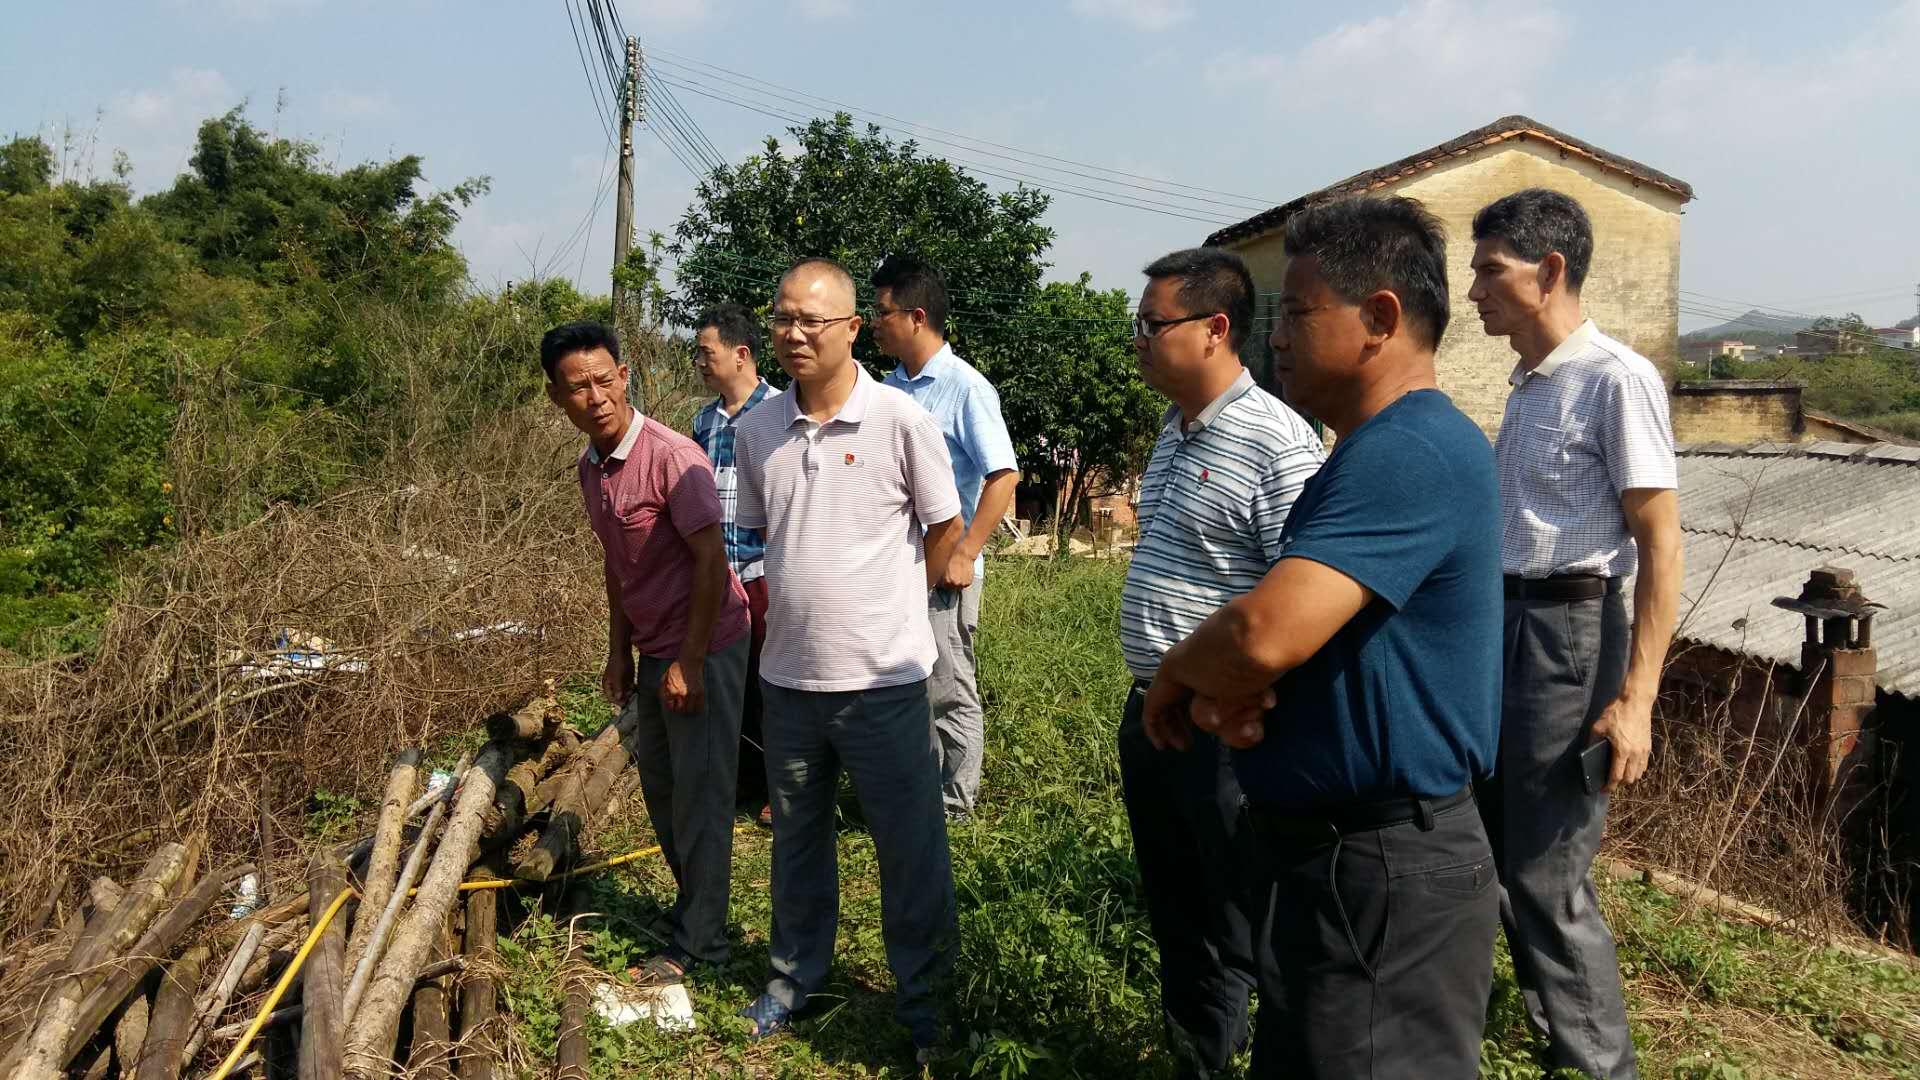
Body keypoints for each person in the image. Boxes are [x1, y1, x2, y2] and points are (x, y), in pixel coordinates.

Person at [1143, 196, 1502, 1079]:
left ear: (1379, 317)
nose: (1275, 338)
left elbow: (1264, 631)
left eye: (1297, 312)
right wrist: (1240, 703)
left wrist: (1182, 675)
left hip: (1385, 864)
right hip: (1337, 857)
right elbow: (1316, 648)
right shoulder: (1362, 451)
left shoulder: (1408, 451)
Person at [1468, 187, 1681, 1080]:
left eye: (1491, 270)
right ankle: (1554, 1038)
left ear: (1549, 270)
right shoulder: (1528, 385)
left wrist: (1637, 699)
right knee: (1498, 847)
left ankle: (1601, 1067)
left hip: (1571, 629)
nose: (1474, 290)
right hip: (1508, 621)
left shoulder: (1615, 380)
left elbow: (1660, 541)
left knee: (1549, 871)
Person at [733, 258, 965, 1059]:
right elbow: (769, 535)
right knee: (797, 842)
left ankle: (927, 1003)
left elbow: (945, 527)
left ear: (853, 328)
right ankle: (793, 978)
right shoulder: (756, 431)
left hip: (884, 682)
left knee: (910, 848)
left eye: (812, 320)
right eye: (783, 318)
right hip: (789, 681)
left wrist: (896, 608)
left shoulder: (901, 420)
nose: (794, 334)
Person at [1117, 247, 1323, 1077]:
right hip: (1154, 710)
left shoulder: (1277, 445)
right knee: (1177, 898)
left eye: (1152, 324)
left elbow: (1300, 602)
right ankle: (1200, 1051)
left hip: (1225, 726)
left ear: (1215, 329)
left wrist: (1231, 698)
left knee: (1241, 909)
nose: (1138, 340)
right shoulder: (1174, 432)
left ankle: (1257, 1054)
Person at [541, 319, 751, 984]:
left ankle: (702, 945)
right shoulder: (591, 469)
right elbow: (618, 564)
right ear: (557, 397)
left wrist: (690, 663)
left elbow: (711, 563)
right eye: (579, 387)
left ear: (625, 377)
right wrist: (619, 652)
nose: (595, 397)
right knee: (662, 789)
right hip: (656, 646)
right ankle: (696, 910)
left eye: (605, 380)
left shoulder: (672, 458)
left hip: (707, 642)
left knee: (701, 796)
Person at [872, 254, 1020, 820]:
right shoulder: (888, 389)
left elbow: (1003, 475)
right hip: (899, 568)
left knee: (948, 685)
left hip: (947, 570)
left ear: (916, 317)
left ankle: (955, 803)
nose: (874, 322)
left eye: (882, 312)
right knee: (907, 684)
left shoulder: (965, 388)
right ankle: (919, 791)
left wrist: (966, 551)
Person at [690, 302, 783, 828]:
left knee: (773, 682)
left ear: (741, 354)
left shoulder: (779, 413)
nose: (700, 363)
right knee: (731, 681)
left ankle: (778, 785)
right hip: (718, 577)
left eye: (707, 353)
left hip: (765, 570)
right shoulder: (703, 421)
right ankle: (741, 780)